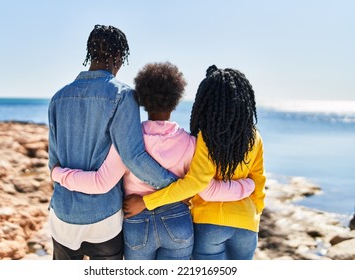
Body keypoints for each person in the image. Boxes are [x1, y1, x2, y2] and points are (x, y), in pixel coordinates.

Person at [50, 62, 256, 260]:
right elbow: (196, 184)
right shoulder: (191, 142)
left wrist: (58, 173)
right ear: (176, 101)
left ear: (142, 100)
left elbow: (108, 176)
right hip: (178, 220)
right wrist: (248, 186)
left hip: (137, 221)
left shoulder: (130, 138)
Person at [47, 25, 178, 260]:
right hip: (103, 215)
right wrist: (172, 183)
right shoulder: (123, 95)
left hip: (63, 213)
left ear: (90, 52)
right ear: (119, 56)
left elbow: (54, 164)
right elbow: (133, 156)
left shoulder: (58, 98)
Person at [123, 65, 266, 260]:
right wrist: (252, 208)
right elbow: (259, 184)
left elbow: (199, 185)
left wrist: (147, 201)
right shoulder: (254, 138)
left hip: (209, 225)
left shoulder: (205, 138)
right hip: (247, 225)